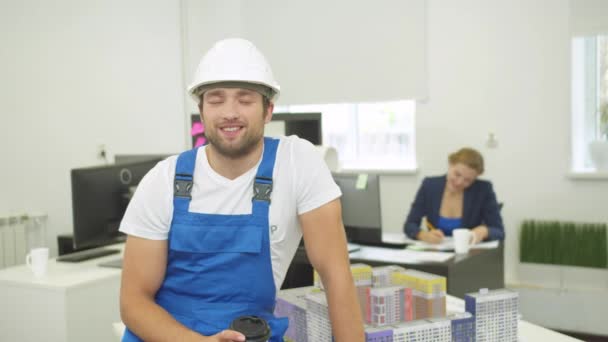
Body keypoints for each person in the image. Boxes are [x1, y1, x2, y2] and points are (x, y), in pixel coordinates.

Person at [118, 38, 365, 342]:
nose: (229, 112)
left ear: (268, 109)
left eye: (245, 99)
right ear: (202, 109)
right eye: (216, 99)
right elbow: (134, 302)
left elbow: (336, 276)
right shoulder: (163, 180)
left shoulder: (296, 164)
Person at [404, 147, 505, 245]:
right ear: (450, 164)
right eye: (457, 174)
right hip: (435, 253)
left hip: (469, 256)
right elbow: (409, 225)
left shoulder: (483, 190)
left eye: (468, 180)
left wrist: (484, 231)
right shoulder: (430, 186)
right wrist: (423, 235)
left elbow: (499, 231)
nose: (459, 182)